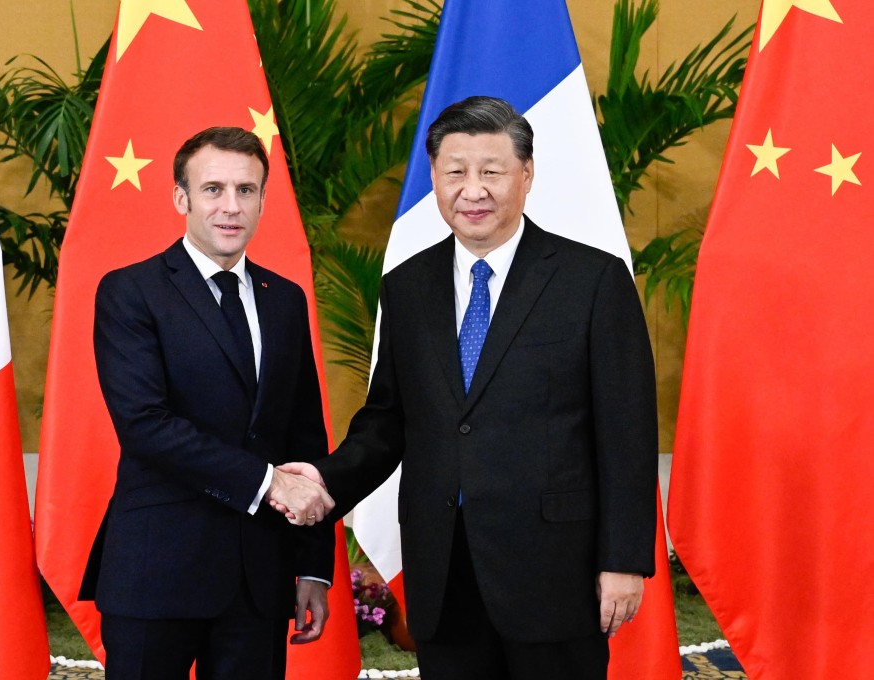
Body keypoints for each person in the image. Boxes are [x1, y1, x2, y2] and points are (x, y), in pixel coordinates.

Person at [276, 97, 658, 680]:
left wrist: (625, 560)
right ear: (433, 177)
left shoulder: (593, 280)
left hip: (554, 573)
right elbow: (387, 421)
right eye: (455, 171)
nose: (472, 189)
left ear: (526, 175)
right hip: (443, 572)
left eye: (491, 171)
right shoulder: (407, 287)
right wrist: (328, 481)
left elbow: (626, 432)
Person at [80, 126, 337, 680]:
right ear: (181, 198)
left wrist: (314, 567)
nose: (230, 206)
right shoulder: (130, 291)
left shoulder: (285, 300)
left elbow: (305, 440)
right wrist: (269, 484)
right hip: (157, 573)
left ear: (264, 199)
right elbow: (146, 427)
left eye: (246, 191)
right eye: (213, 189)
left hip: (259, 581)